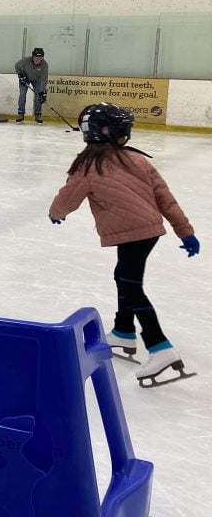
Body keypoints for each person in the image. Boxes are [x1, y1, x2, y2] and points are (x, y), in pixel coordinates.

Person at [48, 103, 199, 387]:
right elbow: (166, 199)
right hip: (147, 232)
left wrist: (56, 213)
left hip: (132, 233)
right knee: (124, 277)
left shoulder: (88, 166)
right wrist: (185, 232)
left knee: (131, 286)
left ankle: (160, 347)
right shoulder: (137, 160)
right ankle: (123, 331)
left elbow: (68, 196)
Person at [14, 47, 48, 124]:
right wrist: (21, 75)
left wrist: (42, 92)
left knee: (38, 95)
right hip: (25, 78)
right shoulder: (26, 60)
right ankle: (20, 113)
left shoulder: (44, 65)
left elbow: (44, 80)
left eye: (40, 58)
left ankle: (38, 114)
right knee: (22, 93)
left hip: (37, 80)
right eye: (36, 58)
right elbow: (17, 66)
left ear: (42, 58)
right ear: (33, 56)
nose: (37, 60)